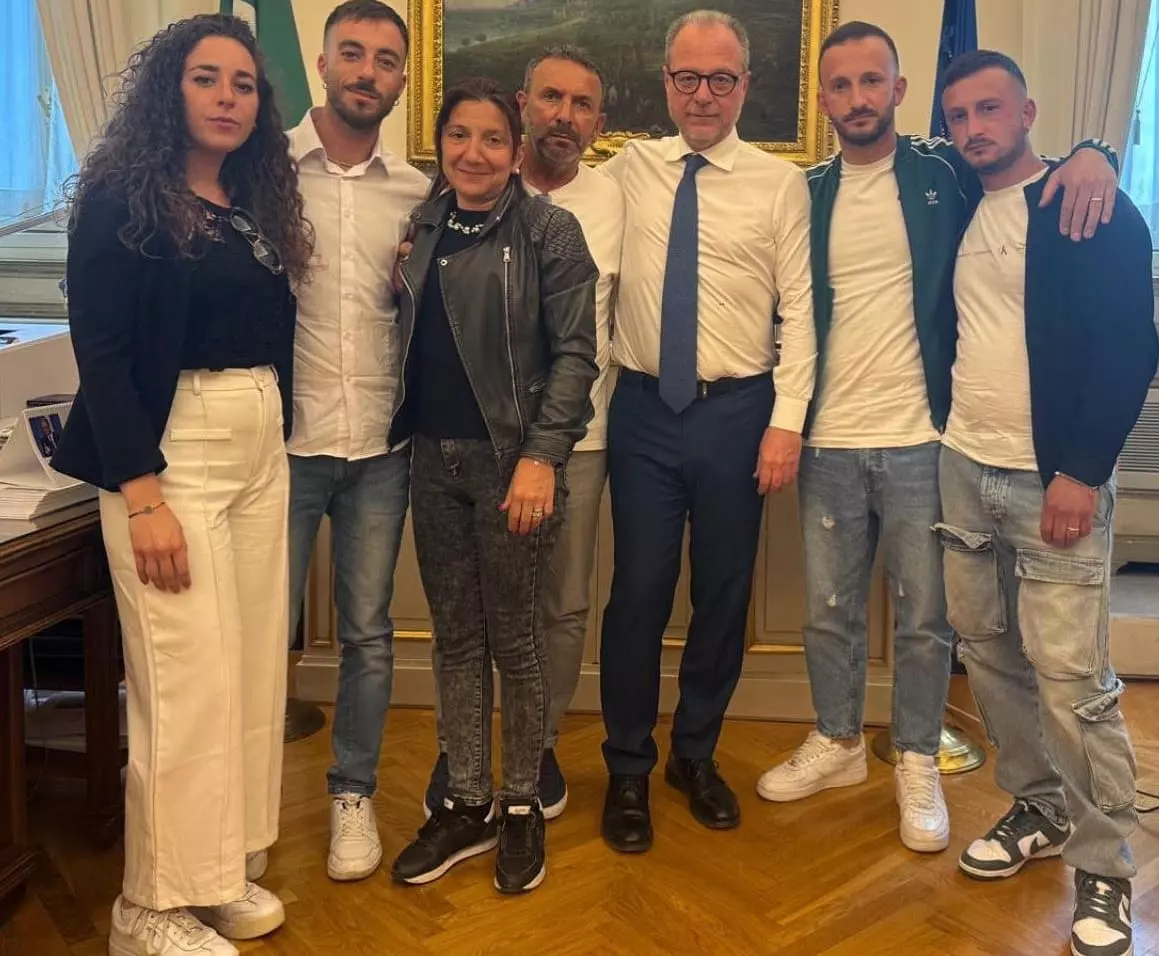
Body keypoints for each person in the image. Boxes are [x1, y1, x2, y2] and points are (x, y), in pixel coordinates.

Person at [755, 21, 1120, 856]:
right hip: (827, 440)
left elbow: (1019, 160)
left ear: (897, 90)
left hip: (926, 439)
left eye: (870, 82)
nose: (857, 98)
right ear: (822, 100)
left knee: (926, 618)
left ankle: (915, 756)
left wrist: (1093, 150)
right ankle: (837, 740)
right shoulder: (802, 191)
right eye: (840, 85)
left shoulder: (943, 171)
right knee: (827, 610)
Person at [50, 14, 313, 956]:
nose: (227, 98)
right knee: (184, 680)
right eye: (207, 78)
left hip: (258, 444)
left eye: (243, 84)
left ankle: (217, 869)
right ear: (171, 88)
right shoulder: (120, 200)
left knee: (246, 670)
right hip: (170, 454)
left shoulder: (251, 201)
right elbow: (103, 355)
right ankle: (148, 907)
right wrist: (143, 494)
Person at [938, 50, 1157, 956]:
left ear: (1027, 112)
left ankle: (1105, 867)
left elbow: (1128, 348)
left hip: (1053, 478)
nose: (973, 128)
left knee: (1071, 683)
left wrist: (1081, 470)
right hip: (961, 466)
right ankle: (1035, 807)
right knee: (989, 657)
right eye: (958, 116)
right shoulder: (952, 200)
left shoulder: (1088, 205)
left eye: (989, 109)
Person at [597, 9, 815, 853]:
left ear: (744, 87)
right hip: (643, 411)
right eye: (687, 77)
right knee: (637, 594)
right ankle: (626, 766)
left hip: (737, 414)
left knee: (723, 594)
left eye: (720, 79)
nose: (702, 94)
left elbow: (799, 313)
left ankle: (693, 754)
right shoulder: (627, 170)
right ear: (665, 83)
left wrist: (785, 423)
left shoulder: (778, 185)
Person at [389, 78, 598, 894]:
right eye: (458, 136)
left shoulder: (549, 230)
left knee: (515, 639)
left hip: (512, 465)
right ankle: (467, 802)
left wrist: (542, 456)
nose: (472, 153)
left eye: (491, 139)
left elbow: (576, 355)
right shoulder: (423, 223)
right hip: (430, 461)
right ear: (440, 144)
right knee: (455, 637)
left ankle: (519, 805)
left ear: (515, 152)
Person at [422, 45, 625, 822]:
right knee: (467, 614)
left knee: (559, 607)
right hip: (465, 448)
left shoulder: (613, 199)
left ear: (598, 122)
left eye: (581, 105)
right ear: (522, 106)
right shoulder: (438, 205)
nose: (563, 116)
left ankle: (533, 748)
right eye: (550, 98)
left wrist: (545, 450)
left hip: (576, 441)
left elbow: (588, 342)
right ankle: (465, 751)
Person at [279, 0, 429, 884]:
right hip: (282, 446)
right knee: (264, 634)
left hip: (379, 447)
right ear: (325, 65)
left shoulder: (415, 194)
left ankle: (353, 795)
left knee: (369, 633)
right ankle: (242, 805)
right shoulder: (265, 173)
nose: (367, 71)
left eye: (384, 59)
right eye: (352, 53)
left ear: (400, 79)